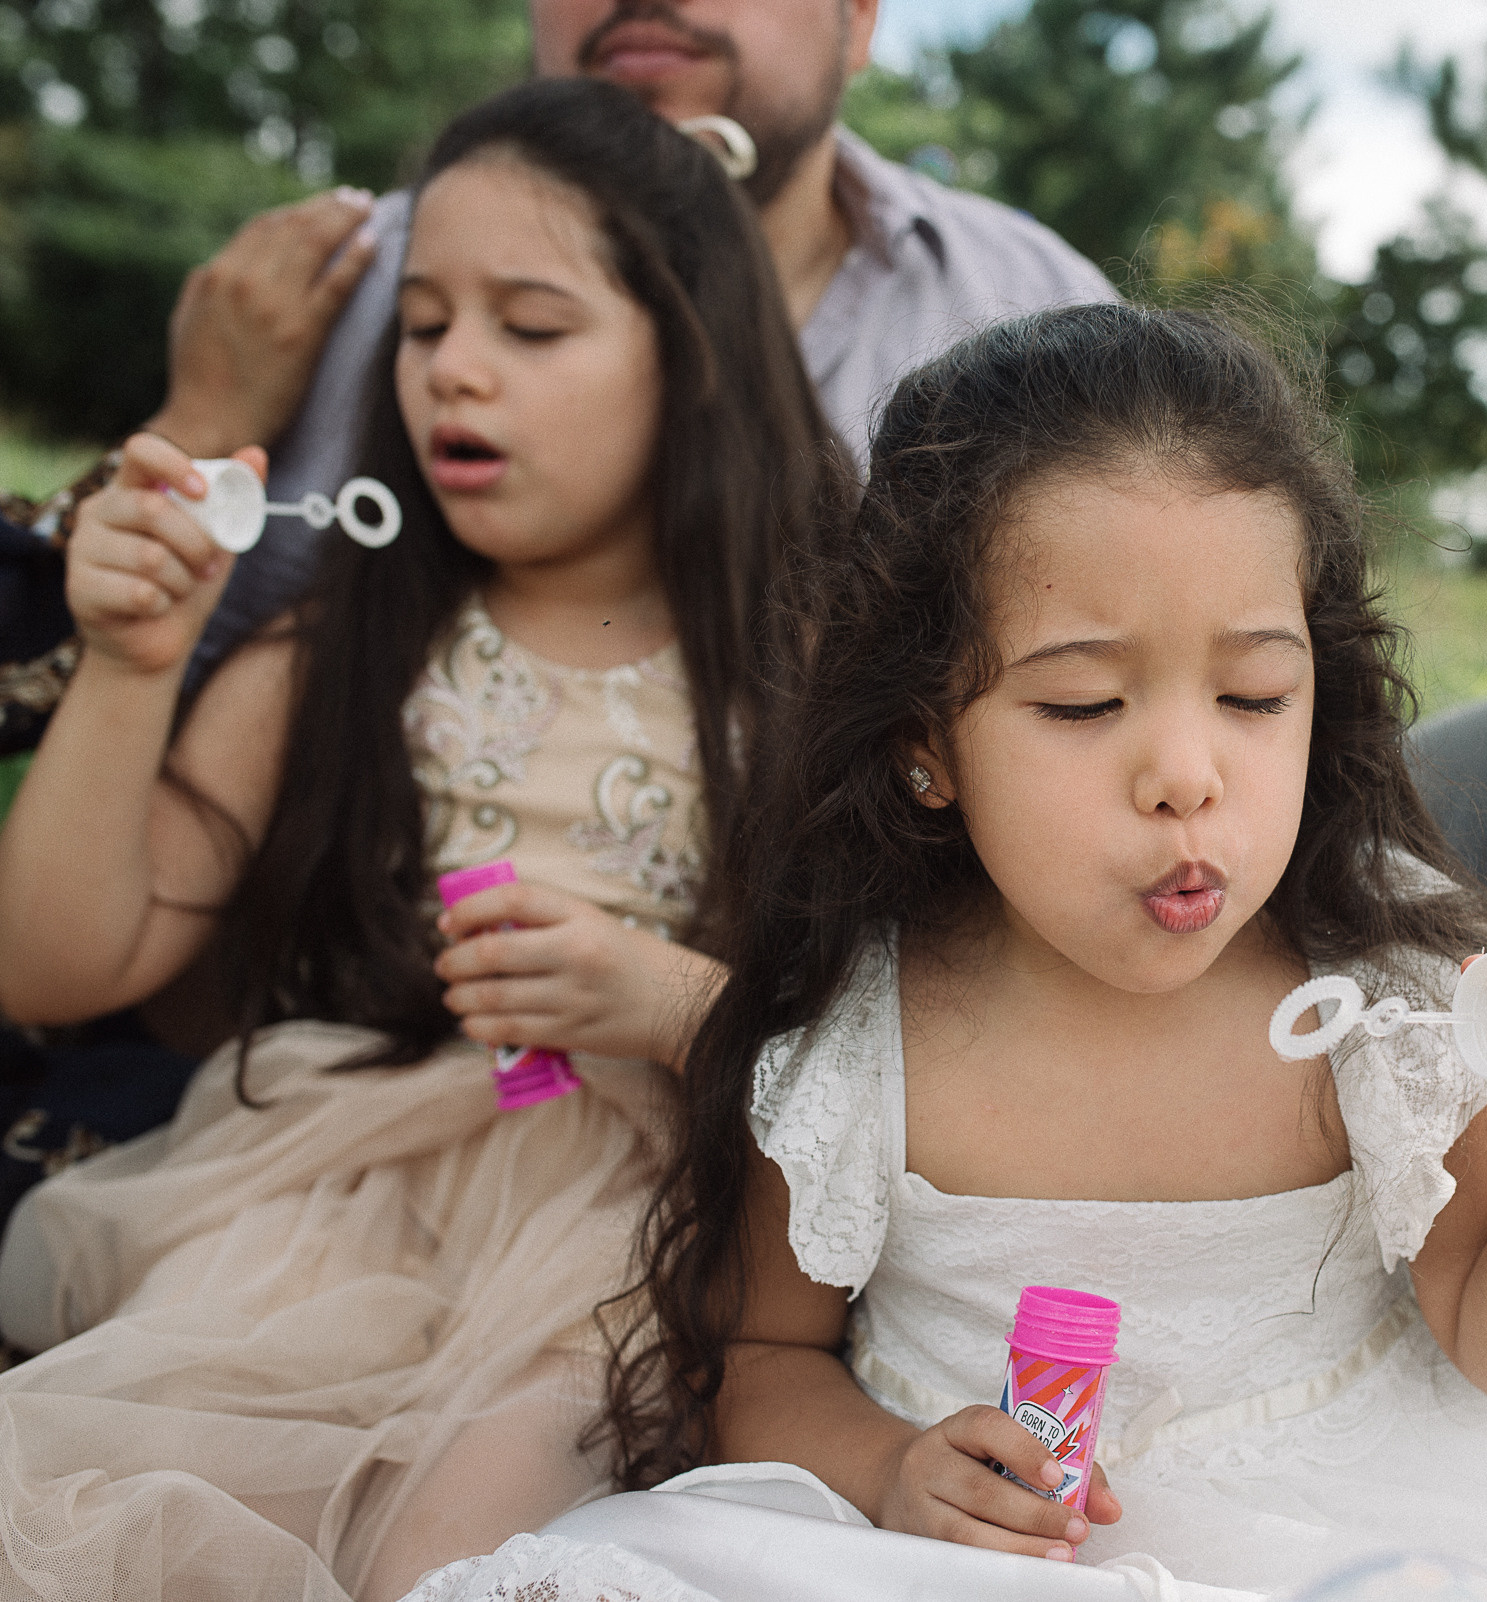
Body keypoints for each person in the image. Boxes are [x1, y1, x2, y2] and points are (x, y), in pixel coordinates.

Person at [64, 0, 1487, 1461]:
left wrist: (1209, 734)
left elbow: (1219, 589)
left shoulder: (1013, 293)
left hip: (1163, 852)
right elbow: (311, 671)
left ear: (862, 16)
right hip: (839, 960)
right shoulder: (422, 293)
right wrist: (197, 444)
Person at [405, 300, 1487, 1602]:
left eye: (1253, 691)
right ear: (926, 746)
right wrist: (893, 1465)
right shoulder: (868, 1023)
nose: (1184, 773)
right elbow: (763, 1356)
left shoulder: (1383, 991)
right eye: (1086, 703)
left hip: (1351, 1519)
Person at [0, 78, 848, 1600]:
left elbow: (903, 1037)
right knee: (110, 1498)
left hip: (637, 1231)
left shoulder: (809, 673)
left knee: (451, 1542)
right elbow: (57, 962)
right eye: (424, 323)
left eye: (530, 327)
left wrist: (660, 998)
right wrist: (132, 667)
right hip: (317, 1206)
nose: (455, 371)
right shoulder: (342, 645)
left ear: (694, 355)